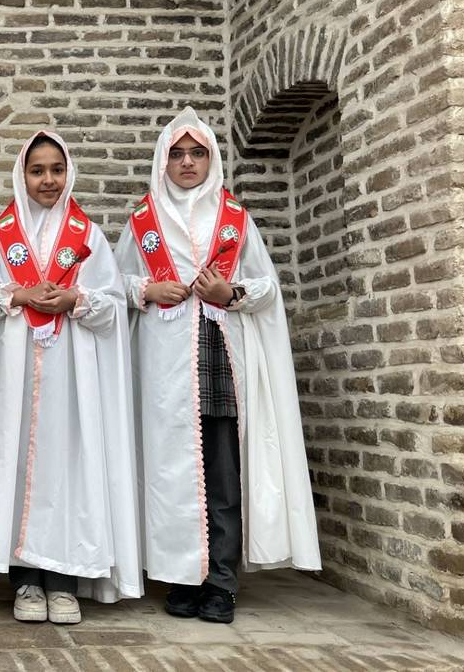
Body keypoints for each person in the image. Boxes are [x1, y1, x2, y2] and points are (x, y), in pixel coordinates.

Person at [114, 106, 320, 624]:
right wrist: (147, 289)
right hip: (164, 366)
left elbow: (267, 285)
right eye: (178, 154)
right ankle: (180, 578)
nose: (187, 162)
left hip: (219, 358)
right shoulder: (143, 221)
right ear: (163, 161)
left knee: (223, 476)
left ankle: (221, 583)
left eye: (197, 153)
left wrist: (232, 292)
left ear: (212, 160)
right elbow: (113, 284)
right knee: (171, 473)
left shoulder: (236, 219)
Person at [0, 131, 142, 624]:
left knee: (67, 468)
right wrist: (18, 295)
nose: (48, 180)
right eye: (37, 170)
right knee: (17, 465)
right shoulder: (2, 234)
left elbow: (112, 305)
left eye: (57, 170)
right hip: (15, 371)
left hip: (72, 374)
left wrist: (74, 299)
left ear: (70, 174)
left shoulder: (87, 235)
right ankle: (24, 579)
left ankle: (64, 581)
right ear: (22, 176)